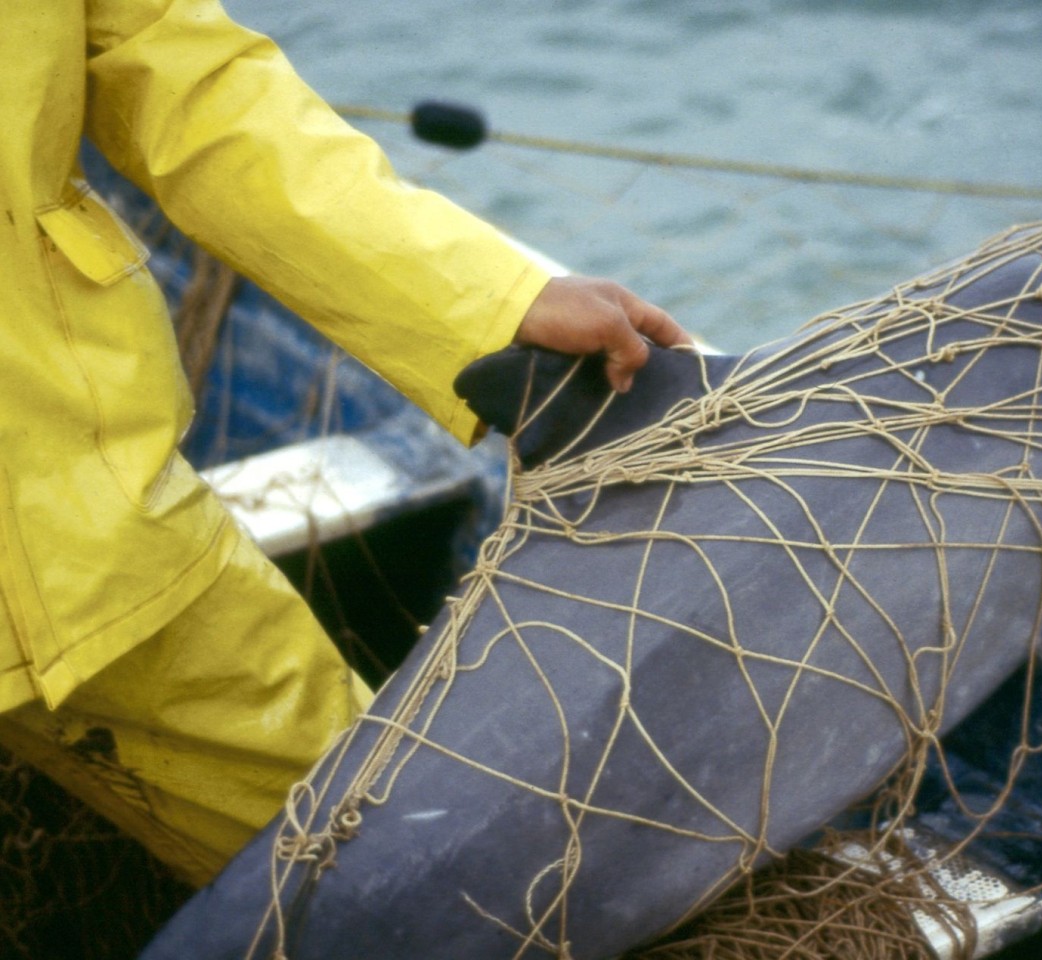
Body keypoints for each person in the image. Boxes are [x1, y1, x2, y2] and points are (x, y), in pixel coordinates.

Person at [0, 0, 689, 888]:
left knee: (419, 877)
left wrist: (490, 301)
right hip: (82, 525)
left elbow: (187, 81)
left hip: (85, 527)